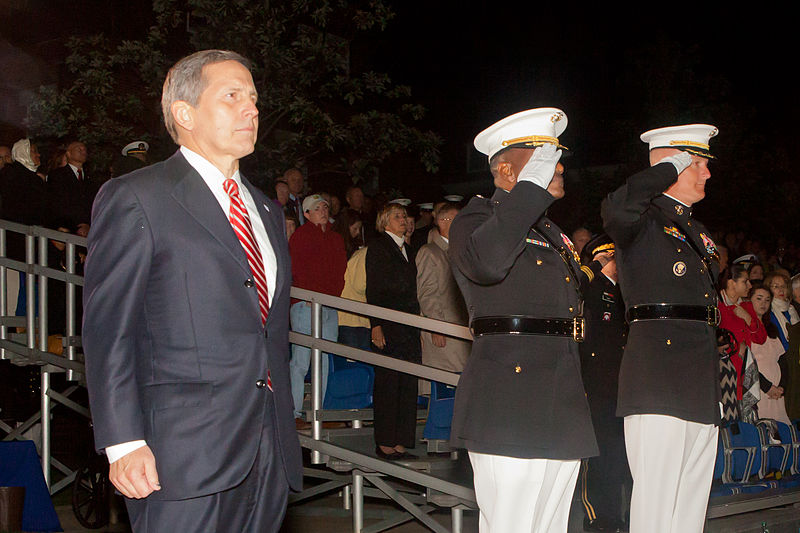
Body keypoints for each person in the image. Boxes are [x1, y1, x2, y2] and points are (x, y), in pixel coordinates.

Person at [82, 49, 302, 532]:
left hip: (268, 452)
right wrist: (123, 442)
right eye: (232, 96)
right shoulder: (138, 197)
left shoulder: (267, 211)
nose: (252, 109)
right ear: (184, 113)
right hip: (180, 455)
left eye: (254, 98)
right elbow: (107, 332)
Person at [449, 108, 607, 533]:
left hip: (561, 392)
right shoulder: (476, 219)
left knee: (552, 525)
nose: (556, 168)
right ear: (505, 169)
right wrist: (529, 192)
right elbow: (488, 263)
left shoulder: (551, 232)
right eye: (540, 159)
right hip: (509, 396)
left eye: (556, 160)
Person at [602, 124, 721, 533]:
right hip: (658, 375)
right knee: (656, 503)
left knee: (690, 503)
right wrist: (669, 166)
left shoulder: (698, 231)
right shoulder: (641, 220)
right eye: (697, 164)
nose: (706, 173)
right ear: (670, 167)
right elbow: (616, 208)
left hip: (699, 377)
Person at [578, 234, 631, 532]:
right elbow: (574, 288)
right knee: (597, 454)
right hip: (595, 382)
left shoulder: (623, 293)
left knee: (617, 454)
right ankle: (596, 516)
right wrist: (594, 267)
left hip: (619, 384)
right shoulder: (590, 286)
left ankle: (616, 515)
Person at [366, 202, 421, 460]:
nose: (404, 219)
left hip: (409, 325)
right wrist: (375, 324)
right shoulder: (379, 248)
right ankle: (386, 441)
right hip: (389, 323)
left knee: (408, 381)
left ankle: (401, 440)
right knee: (389, 381)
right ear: (385, 221)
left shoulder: (408, 249)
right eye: (397, 216)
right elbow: (374, 288)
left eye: (404, 215)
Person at [287, 194, 347, 427]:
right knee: (301, 359)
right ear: (307, 214)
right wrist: (310, 295)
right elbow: (299, 269)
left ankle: (319, 411)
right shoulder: (301, 236)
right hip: (306, 304)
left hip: (328, 304)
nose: (322, 210)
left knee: (324, 359)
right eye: (317, 208)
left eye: (324, 207)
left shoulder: (335, 238)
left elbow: (339, 270)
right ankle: (293, 412)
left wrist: (332, 297)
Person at [415, 201, 470, 373]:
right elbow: (427, 293)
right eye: (458, 219)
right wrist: (437, 326)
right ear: (443, 221)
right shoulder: (430, 252)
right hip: (446, 331)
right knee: (448, 383)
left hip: (462, 329)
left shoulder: (459, 252)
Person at [750, 286, 791, 425]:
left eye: (767, 300)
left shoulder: (771, 328)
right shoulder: (746, 328)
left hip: (776, 393)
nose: (763, 304)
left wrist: (782, 386)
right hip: (759, 390)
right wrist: (767, 387)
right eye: (759, 299)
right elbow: (748, 365)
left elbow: (782, 360)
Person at [47, 140, 98, 237]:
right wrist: (76, 226)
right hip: (67, 229)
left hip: (88, 231)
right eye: (79, 149)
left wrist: (88, 224)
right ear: (68, 154)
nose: (83, 151)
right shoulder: (58, 175)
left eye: (84, 149)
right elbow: (58, 204)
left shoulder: (91, 179)